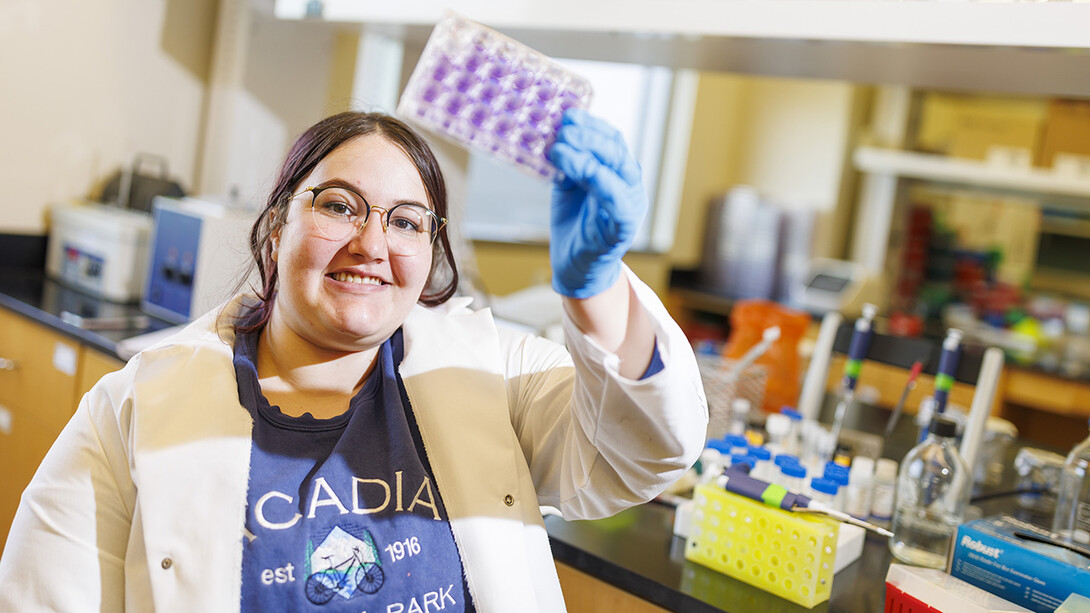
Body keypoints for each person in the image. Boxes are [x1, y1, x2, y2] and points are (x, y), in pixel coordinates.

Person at [0, 108, 707, 611]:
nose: (372, 243)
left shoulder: (495, 373)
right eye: (340, 206)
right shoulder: (130, 409)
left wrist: (597, 292)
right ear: (276, 230)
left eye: (405, 221)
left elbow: (642, 456)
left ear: (430, 252)